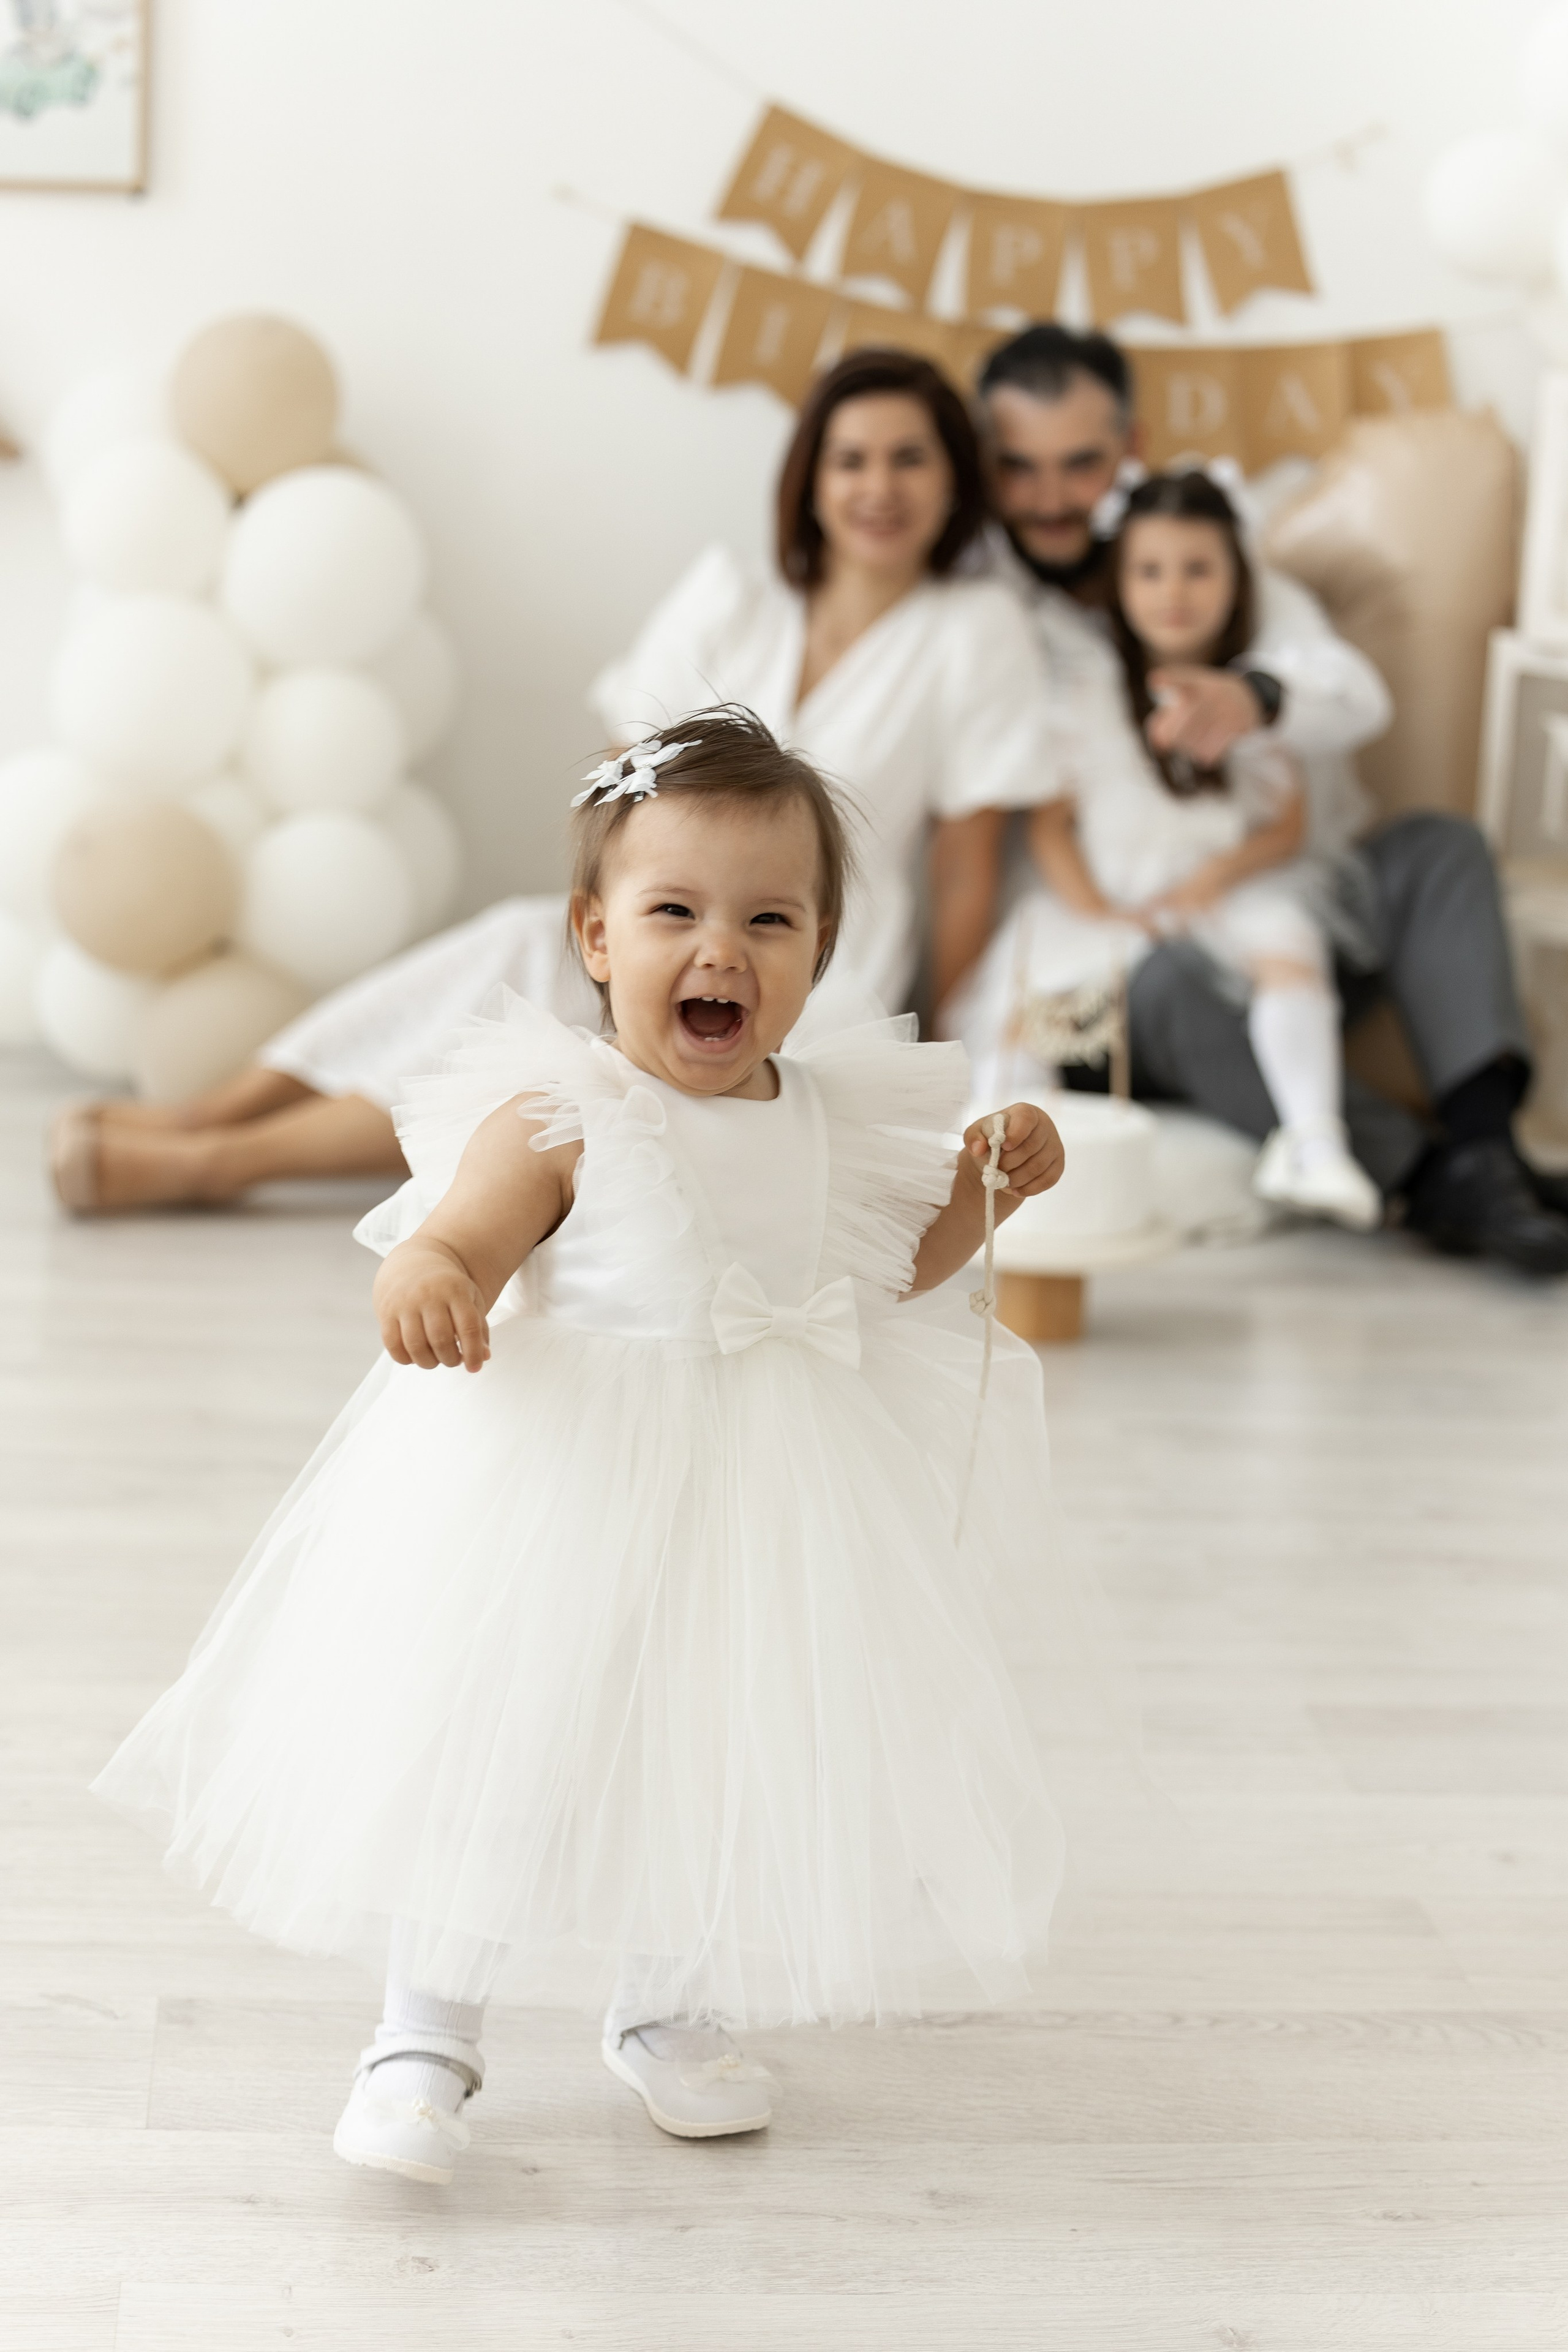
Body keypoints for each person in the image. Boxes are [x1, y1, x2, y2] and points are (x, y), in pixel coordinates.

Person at [94, 709, 1087, 2184]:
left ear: (818, 948)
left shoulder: (826, 1117)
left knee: (716, 1736)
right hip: (567, 1495)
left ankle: (667, 2001)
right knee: (503, 1752)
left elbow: (884, 1271)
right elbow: (458, 1231)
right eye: (674, 911)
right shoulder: (562, 1112)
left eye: (769, 918)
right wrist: (430, 1273)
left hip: (762, 1495)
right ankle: (422, 2032)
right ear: (597, 934)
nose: (721, 951)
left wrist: (980, 1191)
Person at [52, 350, 1057, 1215]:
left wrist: (939, 1045)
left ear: (953, 481)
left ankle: (225, 1163)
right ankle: (211, 1110)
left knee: (560, 1016)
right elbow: (623, 792)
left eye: (909, 458)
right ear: (812, 478)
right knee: (524, 945)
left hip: (811, 972)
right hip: (661, 920)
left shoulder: (975, 633)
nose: (879, 485)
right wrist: (632, 924)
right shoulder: (734, 597)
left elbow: (967, 869)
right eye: (852, 459)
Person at [944, 322, 1568, 1275]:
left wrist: (1257, 695)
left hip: (1283, 899)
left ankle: (1489, 1147)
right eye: (1020, 469)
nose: (1051, 498)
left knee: (1441, 848)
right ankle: (1425, 1177)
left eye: (1081, 464)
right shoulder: (985, 608)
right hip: (1134, 952)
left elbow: (1354, 695)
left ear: (1132, 452)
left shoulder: (1212, 563)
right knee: (1163, 983)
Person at [947, 467, 1381, 1229]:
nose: (1173, 591)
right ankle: (1001, 1165)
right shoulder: (1085, 688)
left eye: (1197, 569)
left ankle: (1314, 1139)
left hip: (1218, 890)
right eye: (1150, 571)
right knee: (1031, 1008)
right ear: (1120, 581)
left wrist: (1213, 881)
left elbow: (1285, 824)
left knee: (1288, 946)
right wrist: (1100, 911)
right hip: (1110, 898)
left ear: (1234, 580)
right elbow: (1051, 826)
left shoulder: (1247, 694)